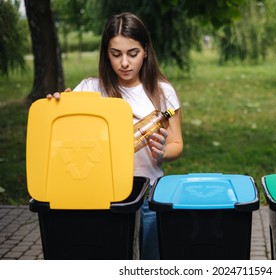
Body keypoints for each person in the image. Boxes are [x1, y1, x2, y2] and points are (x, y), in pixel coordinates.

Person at [47, 12, 183, 259]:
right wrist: (58, 104)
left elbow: (177, 144)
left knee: (151, 264)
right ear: (105, 54)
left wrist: (163, 151)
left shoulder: (163, 92)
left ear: (146, 52)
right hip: (102, 195)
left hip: (149, 196)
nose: (124, 63)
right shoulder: (90, 88)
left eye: (132, 53)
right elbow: (64, 137)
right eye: (115, 54)